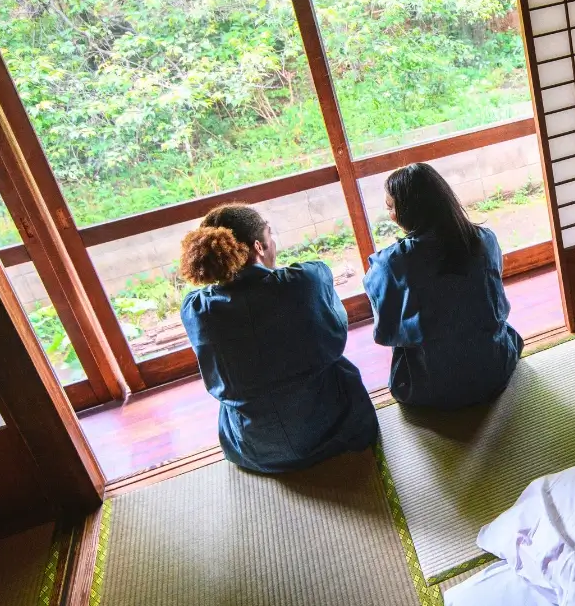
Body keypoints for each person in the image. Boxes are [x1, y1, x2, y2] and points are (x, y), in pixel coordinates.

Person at [179, 204, 377, 473]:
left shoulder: (197, 309)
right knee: (335, 366)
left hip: (254, 449)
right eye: (270, 237)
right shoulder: (305, 281)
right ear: (258, 246)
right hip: (333, 429)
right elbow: (335, 333)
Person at [364, 163, 523, 409]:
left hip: (430, 389)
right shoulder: (484, 240)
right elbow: (496, 303)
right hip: (494, 370)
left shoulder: (392, 263)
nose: (390, 214)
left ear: (409, 210)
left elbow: (386, 330)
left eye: (391, 207)